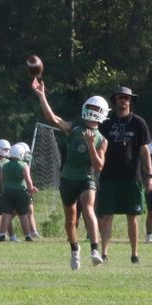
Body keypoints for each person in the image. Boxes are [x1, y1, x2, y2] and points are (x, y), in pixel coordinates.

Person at [32, 79, 107, 270]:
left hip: (86, 177)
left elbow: (98, 165)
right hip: (68, 178)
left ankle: (95, 250)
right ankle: (75, 250)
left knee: (89, 208)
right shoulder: (73, 129)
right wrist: (42, 95)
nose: (92, 111)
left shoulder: (102, 140)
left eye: (95, 108)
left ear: (102, 114)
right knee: (71, 218)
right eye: (90, 107)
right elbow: (52, 118)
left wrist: (91, 145)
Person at [97, 86, 152, 264]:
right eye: (120, 98)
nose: (123, 101)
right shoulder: (105, 123)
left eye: (126, 98)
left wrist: (149, 174)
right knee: (106, 216)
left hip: (132, 176)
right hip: (109, 176)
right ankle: (104, 253)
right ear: (114, 101)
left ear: (131, 101)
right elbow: (97, 148)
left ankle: (134, 254)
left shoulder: (138, 123)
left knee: (133, 216)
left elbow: (145, 150)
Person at [0, 144, 38, 242]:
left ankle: (1, 234)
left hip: (7, 192)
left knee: (6, 214)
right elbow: (28, 180)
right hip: (21, 192)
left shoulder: (4, 165)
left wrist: (3, 190)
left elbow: (1, 180)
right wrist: (31, 189)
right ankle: (28, 236)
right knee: (23, 215)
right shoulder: (24, 165)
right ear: (20, 154)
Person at [17, 141, 42, 238]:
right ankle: (4, 229)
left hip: (27, 189)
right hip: (21, 188)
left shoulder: (25, 162)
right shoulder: (18, 163)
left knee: (30, 210)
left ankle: (34, 232)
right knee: (15, 211)